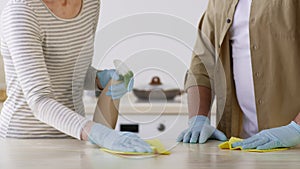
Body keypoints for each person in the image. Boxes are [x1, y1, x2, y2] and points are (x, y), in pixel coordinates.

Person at [0, 0, 152, 153]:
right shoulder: (21, 11)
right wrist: (100, 134)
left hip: (74, 139)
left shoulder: (91, 4)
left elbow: (72, 74)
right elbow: (39, 100)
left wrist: (100, 79)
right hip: (24, 144)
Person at [177, 0, 300, 150]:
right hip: (237, 146)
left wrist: (296, 130)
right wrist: (199, 119)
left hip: (293, 148)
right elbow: (202, 64)